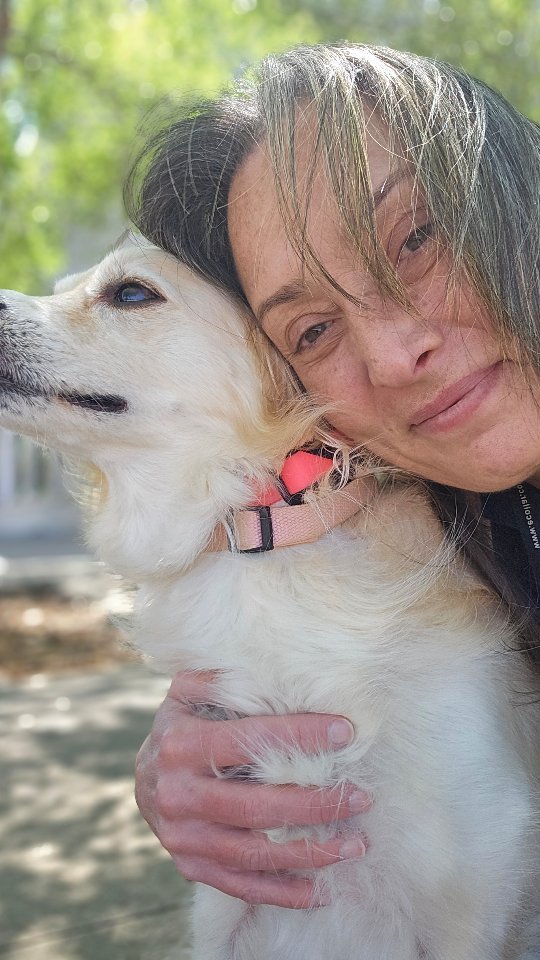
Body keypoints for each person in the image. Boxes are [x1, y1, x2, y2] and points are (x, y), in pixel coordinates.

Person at [125, 42, 540, 909]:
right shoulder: (443, 518)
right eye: (312, 332)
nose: (391, 355)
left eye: (416, 239)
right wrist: (205, 747)